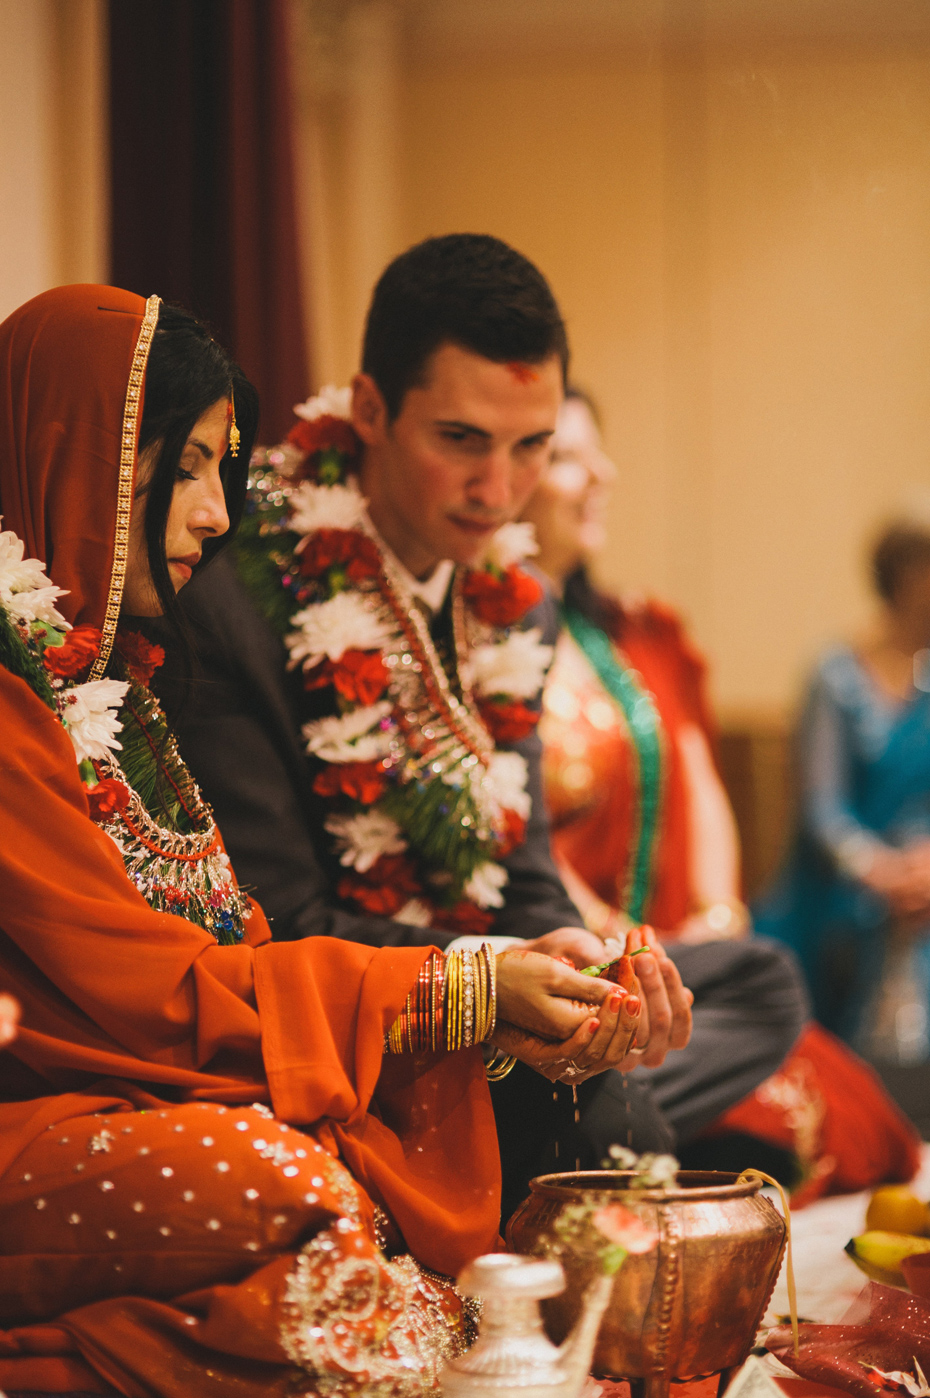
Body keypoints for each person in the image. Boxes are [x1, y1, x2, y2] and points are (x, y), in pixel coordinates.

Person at [0, 285, 644, 1398]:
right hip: (52, 1110)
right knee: (296, 1186)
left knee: (361, 1179)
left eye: (223, 471)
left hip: (164, 1087)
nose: (215, 512)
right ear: (79, 458)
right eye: (187, 467)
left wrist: (526, 995)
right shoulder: (18, 706)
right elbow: (156, 997)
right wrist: (464, 988)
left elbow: (229, 954)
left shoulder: (120, 697)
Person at [524, 388, 921, 1202]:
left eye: (597, 450)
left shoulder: (637, 632)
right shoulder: (466, 647)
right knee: (756, 1136)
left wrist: (712, 922)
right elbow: (515, 843)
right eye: (567, 455)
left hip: (689, 960)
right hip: (580, 969)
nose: (603, 473)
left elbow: (699, 783)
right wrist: (628, 948)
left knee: (859, 1123)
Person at [756, 506, 930, 1066]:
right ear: (905, 575)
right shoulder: (836, 675)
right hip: (839, 898)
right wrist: (878, 871)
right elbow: (822, 812)